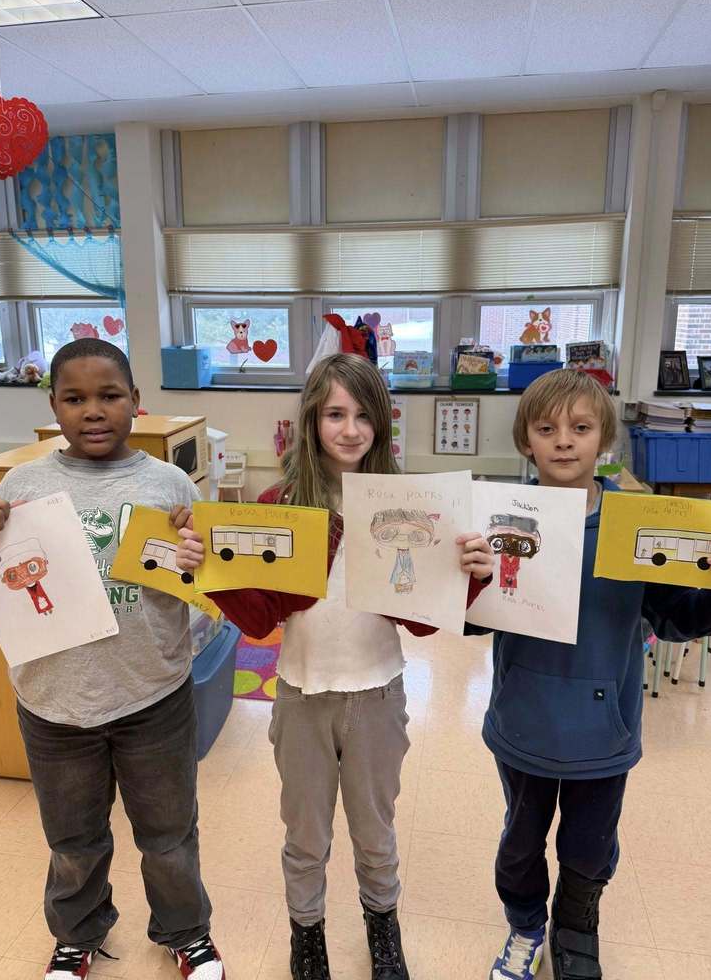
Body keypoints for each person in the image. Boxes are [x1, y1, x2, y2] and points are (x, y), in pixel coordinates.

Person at [174, 353, 493, 980]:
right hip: (300, 697)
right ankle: (307, 936)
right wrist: (206, 570)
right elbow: (263, 615)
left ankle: (383, 928)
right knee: (305, 835)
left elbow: (424, 621)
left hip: (377, 698)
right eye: (335, 414)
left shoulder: (408, 507)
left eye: (363, 415)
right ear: (311, 421)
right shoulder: (281, 504)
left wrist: (470, 579)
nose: (350, 429)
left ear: (383, 422)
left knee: (376, 833)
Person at [0, 339, 223, 980]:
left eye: (110, 396)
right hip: (52, 703)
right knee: (72, 842)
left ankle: (186, 932)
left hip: (154, 697)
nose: (93, 411)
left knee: (169, 836)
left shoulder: (168, 483)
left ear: (136, 402)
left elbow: (209, 590)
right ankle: (77, 934)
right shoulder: (22, 487)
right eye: (75, 398)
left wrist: (194, 574)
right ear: (52, 407)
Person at [475, 369, 711, 980]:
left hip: (603, 735)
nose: (564, 441)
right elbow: (472, 623)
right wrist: (468, 578)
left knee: (588, 850)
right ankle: (526, 927)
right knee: (520, 843)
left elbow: (675, 617)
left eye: (580, 428)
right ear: (526, 441)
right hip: (525, 722)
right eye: (547, 428)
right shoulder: (502, 518)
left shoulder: (634, 525)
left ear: (603, 440)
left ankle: (577, 933)